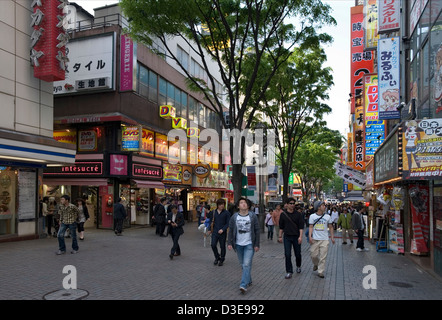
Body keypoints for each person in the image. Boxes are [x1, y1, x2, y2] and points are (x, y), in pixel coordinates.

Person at [227, 197, 260, 294]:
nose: (243, 204)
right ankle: (248, 279)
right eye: (241, 203)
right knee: (243, 265)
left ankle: (243, 285)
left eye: (245, 203)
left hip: (249, 244)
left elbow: (257, 231)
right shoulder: (234, 217)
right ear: (238, 206)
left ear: (248, 205)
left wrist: (257, 244)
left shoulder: (252, 216)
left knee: (246, 264)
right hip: (238, 244)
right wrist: (229, 243)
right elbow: (231, 230)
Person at [279, 198, 304, 278]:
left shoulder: (298, 214)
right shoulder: (283, 215)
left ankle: (298, 265)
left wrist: (300, 237)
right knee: (287, 254)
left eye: (293, 203)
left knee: (298, 254)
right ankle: (289, 271)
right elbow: (281, 227)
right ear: (287, 204)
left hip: (296, 237)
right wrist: (280, 236)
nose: (292, 205)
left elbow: (301, 227)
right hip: (287, 237)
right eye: (291, 203)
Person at [308, 200, 335, 278]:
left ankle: (320, 271)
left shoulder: (327, 217)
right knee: (313, 255)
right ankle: (316, 264)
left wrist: (332, 237)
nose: (325, 207)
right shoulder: (312, 216)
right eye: (323, 206)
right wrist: (310, 236)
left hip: (324, 239)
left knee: (323, 256)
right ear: (318, 207)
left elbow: (330, 227)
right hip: (315, 239)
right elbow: (310, 227)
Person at [207, 199, 230, 266]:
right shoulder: (213, 212)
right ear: (217, 205)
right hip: (215, 232)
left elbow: (228, 223)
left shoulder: (226, 213)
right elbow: (211, 221)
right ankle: (217, 257)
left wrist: (223, 229)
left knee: (222, 246)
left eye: (223, 204)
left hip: (223, 233)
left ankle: (222, 259)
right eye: (220, 204)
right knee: (213, 244)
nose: (222, 206)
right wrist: (209, 229)